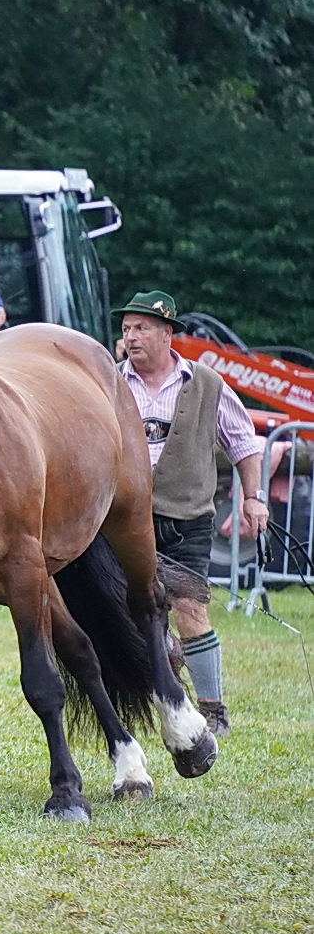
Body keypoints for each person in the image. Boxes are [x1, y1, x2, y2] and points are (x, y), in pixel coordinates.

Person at [114, 290, 267, 736]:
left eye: (142, 328)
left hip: (187, 519)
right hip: (122, 519)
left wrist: (253, 497)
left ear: (167, 333)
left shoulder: (207, 383)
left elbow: (244, 443)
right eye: (126, 329)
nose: (131, 336)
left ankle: (213, 709)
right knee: (126, 612)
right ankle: (157, 694)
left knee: (189, 609)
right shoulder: (108, 380)